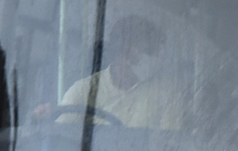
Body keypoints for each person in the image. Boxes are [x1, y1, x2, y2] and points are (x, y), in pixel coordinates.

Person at [46, 18, 184, 129]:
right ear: (125, 51)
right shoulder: (83, 91)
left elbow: (170, 146)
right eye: (149, 53)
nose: (155, 61)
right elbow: (59, 140)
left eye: (156, 55)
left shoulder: (167, 93)